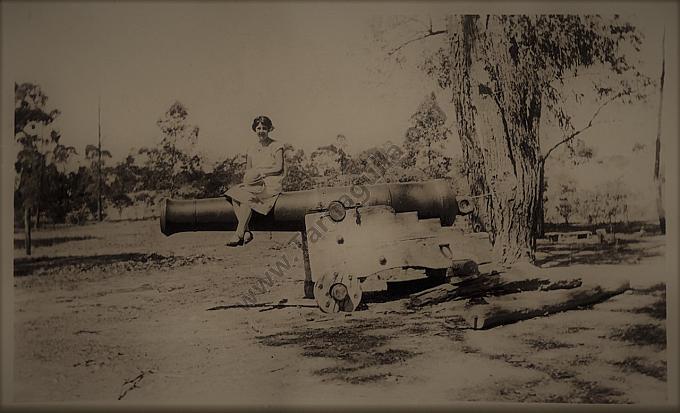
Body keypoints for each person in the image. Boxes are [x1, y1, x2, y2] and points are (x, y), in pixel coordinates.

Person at [224, 115, 285, 247]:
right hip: (254, 182)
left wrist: (263, 173)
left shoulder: (277, 146)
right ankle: (247, 231)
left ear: (269, 129)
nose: (261, 131)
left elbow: (279, 168)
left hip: (270, 181)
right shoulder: (251, 149)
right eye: (258, 128)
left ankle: (239, 233)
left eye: (264, 128)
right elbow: (248, 170)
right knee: (235, 194)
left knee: (246, 197)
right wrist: (250, 179)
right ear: (255, 130)